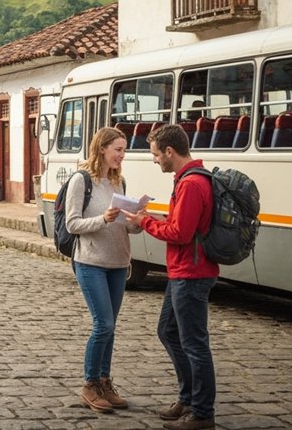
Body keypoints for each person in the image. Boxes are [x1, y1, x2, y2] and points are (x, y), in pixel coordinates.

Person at [124, 124, 218, 430]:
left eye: (155, 154)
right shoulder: (187, 179)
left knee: (194, 343)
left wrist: (146, 222)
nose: (154, 161)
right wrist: (159, 219)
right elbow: (184, 225)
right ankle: (188, 398)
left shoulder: (191, 184)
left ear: (169, 151)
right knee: (168, 331)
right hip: (182, 271)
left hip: (191, 273)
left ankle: (202, 413)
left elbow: (180, 233)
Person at [65, 127, 140, 413]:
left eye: (124, 150)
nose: (122, 155)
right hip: (91, 263)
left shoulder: (118, 182)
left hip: (119, 263)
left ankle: (105, 382)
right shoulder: (81, 181)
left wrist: (135, 222)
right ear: (102, 149)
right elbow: (73, 224)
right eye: (118, 149)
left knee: (111, 328)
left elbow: (124, 225)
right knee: (103, 325)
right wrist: (103, 219)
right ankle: (89, 384)